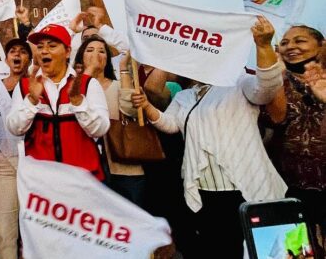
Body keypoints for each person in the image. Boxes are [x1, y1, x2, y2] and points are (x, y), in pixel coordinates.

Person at [129, 16, 286, 258]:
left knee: (260, 250)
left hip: (244, 188)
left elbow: (266, 88)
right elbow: (170, 125)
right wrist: (147, 107)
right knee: (220, 248)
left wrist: (263, 47)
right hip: (206, 190)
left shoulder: (238, 83)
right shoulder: (185, 97)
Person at [6, 24, 110, 178]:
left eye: (52, 46)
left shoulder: (88, 84)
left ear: (67, 52)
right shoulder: (25, 86)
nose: (44, 51)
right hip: (42, 182)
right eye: (40, 47)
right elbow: (14, 128)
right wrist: (32, 102)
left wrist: (78, 102)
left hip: (83, 181)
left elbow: (101, 129)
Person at [263, 25, 325, 255]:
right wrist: (276, 76)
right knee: (299, 251)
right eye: (285, 43)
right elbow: (275, 119)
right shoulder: (278, 82)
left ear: (321, 45)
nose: (291, 47)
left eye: (300, 41)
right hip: (289, 186)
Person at [74, 37, 145, 205]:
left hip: (124, 168)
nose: (96, 54)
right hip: (88, 170)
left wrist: (124, 68)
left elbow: (131, 110)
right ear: (80, 57)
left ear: (107, 58)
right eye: (89, 50)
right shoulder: (73, 89)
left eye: (101, 50)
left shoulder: (119, 84)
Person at [0, 38, 31, 259]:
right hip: (0, 163)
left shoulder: (36, 86)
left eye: (23, 52)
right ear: (6, 58)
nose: (17, 55)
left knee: (33, 230)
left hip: (32, 163)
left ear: (29, 60)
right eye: (13, 51)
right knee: (4, 231)